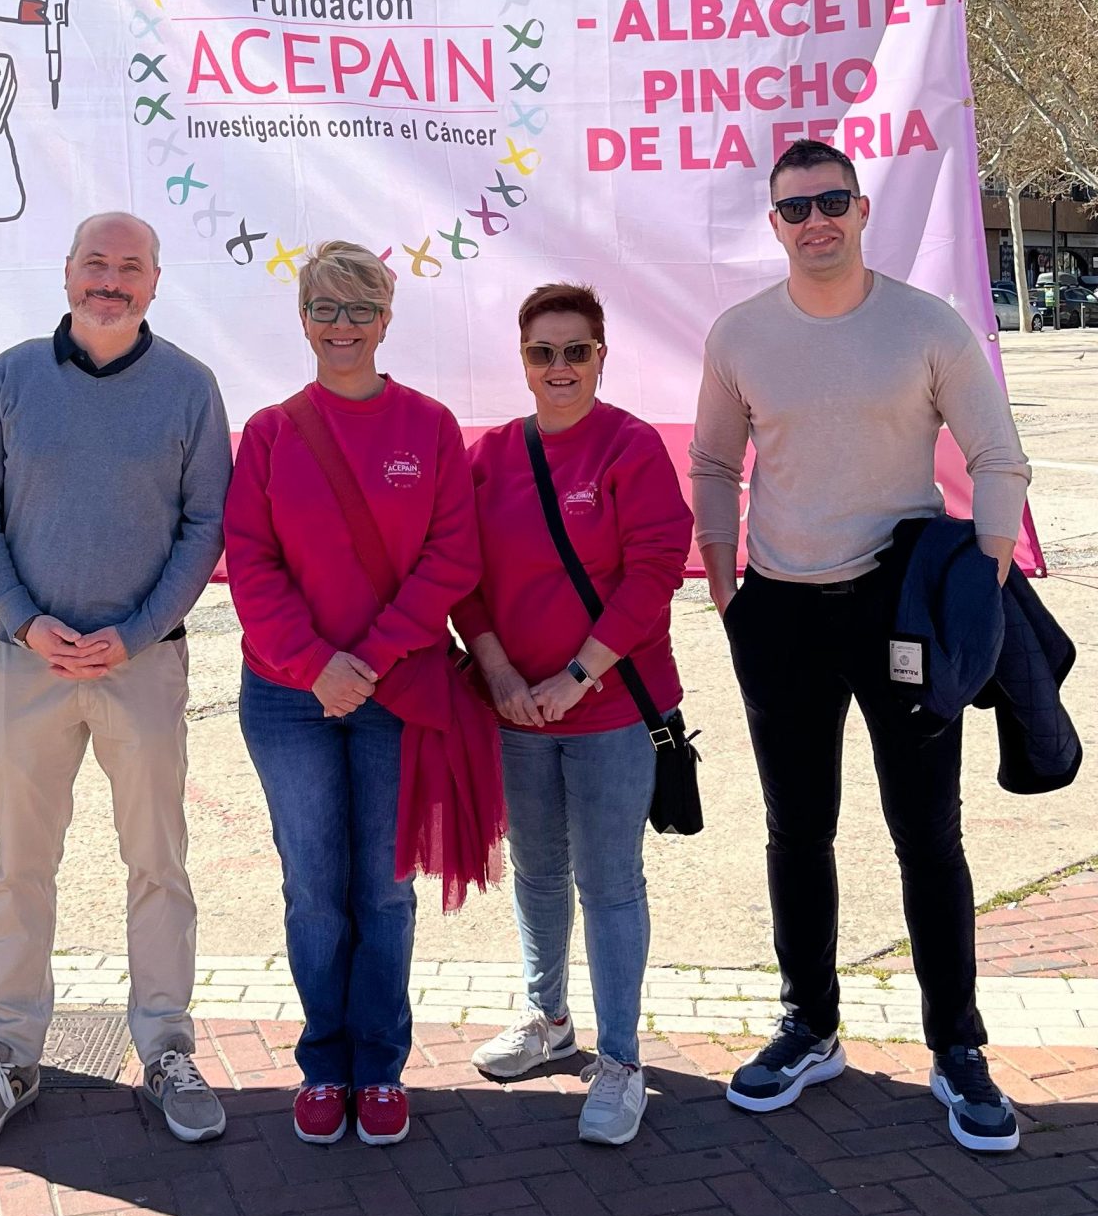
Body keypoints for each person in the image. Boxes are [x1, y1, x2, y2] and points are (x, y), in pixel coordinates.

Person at [690, 139, 1033, 1154]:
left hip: (902, 609)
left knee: (928, 835)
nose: (816, 221)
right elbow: (712, 461)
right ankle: (810, 1024)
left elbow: (997, 454)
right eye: (796, 208)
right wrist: (724, 581)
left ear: (863, 207)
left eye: (832, 201)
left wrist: (987, 575)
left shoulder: (927, 324)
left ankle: (957, 1047)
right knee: (798, 831)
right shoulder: (742, 333)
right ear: (774, 223)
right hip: (779, 612)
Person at [0, 213, 232, 1151]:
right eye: (96, 264)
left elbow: (205, 526)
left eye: (130, 267)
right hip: (28, 663)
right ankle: (11, 1051)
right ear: (67, 274)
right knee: (20, 867)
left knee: (157, 864)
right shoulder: (11, 380)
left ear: (155, 282)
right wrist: (26, 620)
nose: (111, 280)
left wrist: (135, 634)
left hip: (142, 666)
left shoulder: (189, 388)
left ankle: (167, 1048)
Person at [224, 241, 500, 1148]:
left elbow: (451, 558)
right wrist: (316, 666)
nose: (341, 326)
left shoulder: (428, 427)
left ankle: (378, 1065)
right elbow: (251, 563)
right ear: (302, 319)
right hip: (287, 696)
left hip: (395, 689)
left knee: (384, 891)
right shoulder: (271, 433)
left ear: (386, 320)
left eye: (359, 309)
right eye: (325, 309)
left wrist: (367, 661)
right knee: (314, 889)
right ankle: (324, 1064)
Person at [457, 284, 692, 1146]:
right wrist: (497, 670)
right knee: (537, 872)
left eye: (576, 351)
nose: (559, 367)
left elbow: (655, 569)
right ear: (522, 362)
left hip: (609, 712)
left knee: (609, 881)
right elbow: (461, 573)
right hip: (517, 708)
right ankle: (548, 1019)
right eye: (542, 353)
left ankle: (620, 1059)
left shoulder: (630, 446)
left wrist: (578, 675)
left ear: (601, 357)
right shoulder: (491, 456)